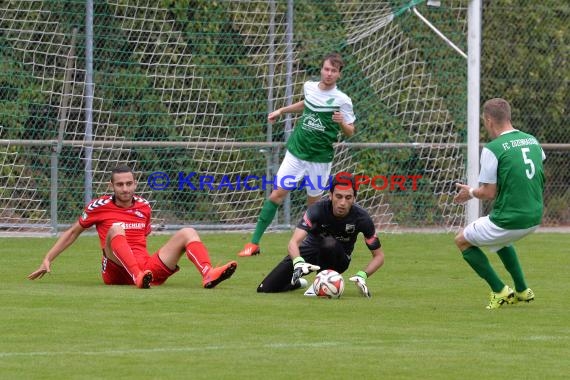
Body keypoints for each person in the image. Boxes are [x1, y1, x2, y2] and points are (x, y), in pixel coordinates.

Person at [28, 165, 237, 289]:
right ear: (112, 186)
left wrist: (145, 267)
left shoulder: (144, 206)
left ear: (135, 184)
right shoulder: (99, 206)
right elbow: (73, 232)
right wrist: (47, 259)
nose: (125, 188)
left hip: (146, 268)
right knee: (117, 229)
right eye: (120, 185)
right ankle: (137, 276)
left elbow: (143, 237)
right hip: (115, 272)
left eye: (129, 184)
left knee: (188, 232)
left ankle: (208, 273)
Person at [237, 52, 356, 257]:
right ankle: (254, 243)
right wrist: (282, 111)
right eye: (326, 69)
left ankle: (309, 248)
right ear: (321, 69)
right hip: (296, 153)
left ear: (339, 75)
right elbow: (305, 104)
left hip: (319, 158)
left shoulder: (342, 100)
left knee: (314, 208)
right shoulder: (309, 87)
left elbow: (350, 131)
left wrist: (342, 123)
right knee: (276, 194)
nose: (329, 73)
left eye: (333, 71)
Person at [453, 98, 545, 309]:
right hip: (534, 216)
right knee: (500, 240)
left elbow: (488, 192)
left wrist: (470, 192)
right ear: (508, 117)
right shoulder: (532, 141)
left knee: (461, 240)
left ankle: (500, 291)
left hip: (509, 219)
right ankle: (522, 290)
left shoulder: (493, 148)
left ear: (488, 120)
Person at [256, 174, 385, 297]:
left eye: (348, 197)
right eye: (338, 196)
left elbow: (379, 256)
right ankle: (297, 283)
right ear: (330, 195)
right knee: (265, 288)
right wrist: (298, 262)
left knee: (329, 243)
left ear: (354, 198)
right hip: (311, 251)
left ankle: (320, 282)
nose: (342, 202)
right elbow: (293, 242)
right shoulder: (317, 210)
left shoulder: (362, 218)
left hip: (339, 258)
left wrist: (362, 275)